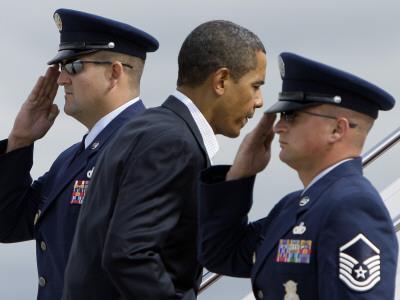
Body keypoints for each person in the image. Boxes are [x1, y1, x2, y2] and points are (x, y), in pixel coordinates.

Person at [62, 20, 266, 300]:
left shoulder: (150, 127)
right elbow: (129, 254)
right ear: (220, 81)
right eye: (255, 86)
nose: (259, 101)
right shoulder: (173, 142)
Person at [197, 52, 398, 299]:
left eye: (292, 115)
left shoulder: (352, 206)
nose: (278, 126)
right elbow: (221, 253)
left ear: (337, 129)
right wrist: (239, 175)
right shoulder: (293, 207)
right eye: (282, 115)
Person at [0, 8, 158, 300]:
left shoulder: (151, 147)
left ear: (114, 73)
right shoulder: (71, 159)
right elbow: (7, 224)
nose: (61, 80)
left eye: (72, 67)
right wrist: (19, 142)